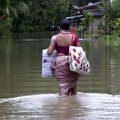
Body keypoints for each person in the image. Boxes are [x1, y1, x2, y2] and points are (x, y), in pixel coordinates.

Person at [47, 19, 80, 96]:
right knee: (73, 86)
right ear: (69, 27)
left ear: (59, 28)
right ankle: (73, 105)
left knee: (63, 86)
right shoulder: (74, 37)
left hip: (61, 64)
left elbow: (49, 52)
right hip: (73, 63)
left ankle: (63, 104)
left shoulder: (55, 38)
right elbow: (79, 51)